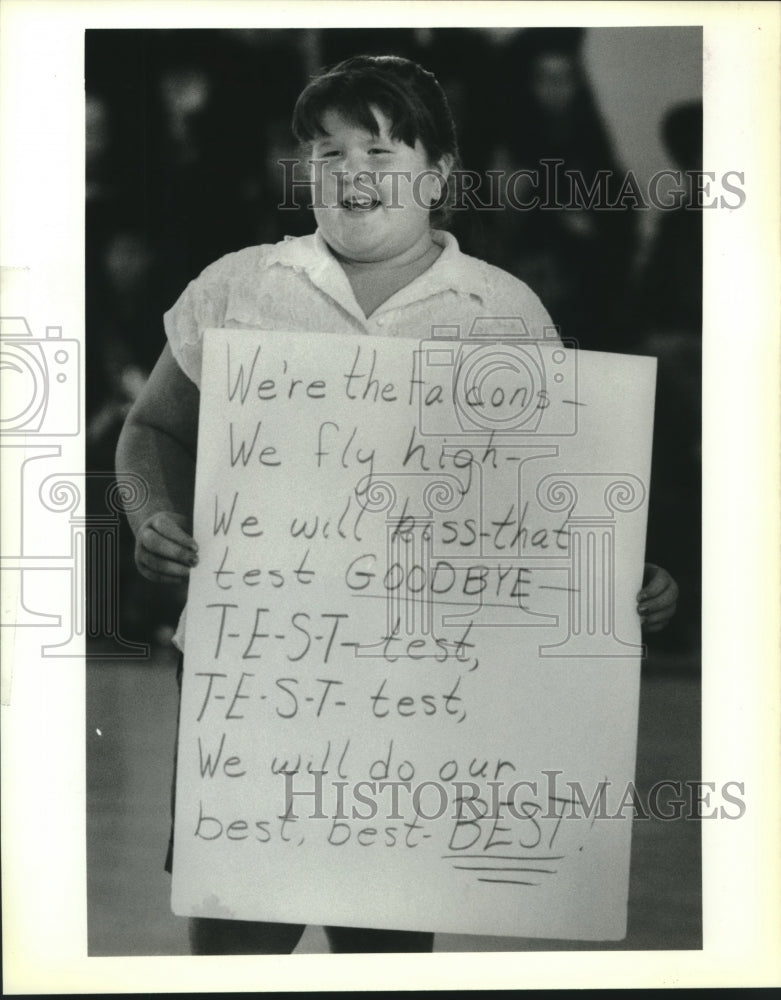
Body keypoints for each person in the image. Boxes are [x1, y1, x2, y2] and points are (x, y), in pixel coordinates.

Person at [115, 54, 679, 955]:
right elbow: (149, 433)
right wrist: (150, 516)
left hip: (424, 696)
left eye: (378, 152)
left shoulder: (503, 311)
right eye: (327, 155)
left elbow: (545, 504)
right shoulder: (241, 286)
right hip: (250, 681)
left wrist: (621, 579)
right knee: (235, 939)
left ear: (439, 173)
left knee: (383, 944)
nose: (349, 176)